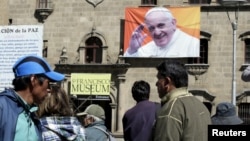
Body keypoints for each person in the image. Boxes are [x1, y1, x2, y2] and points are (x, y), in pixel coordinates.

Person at [0, 55, 65, 141]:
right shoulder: (2, 107)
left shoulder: (32, 115)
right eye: (48, 83)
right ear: (33, 80)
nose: (49, 90)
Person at [153, 60, 211, 141]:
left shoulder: (170, 110)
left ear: (166, 82)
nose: (156, 83)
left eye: (159, 79)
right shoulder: (202, 106)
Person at [124, 6, 199, 58]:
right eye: (151, 28)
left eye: (161, 26)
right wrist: (132, 50)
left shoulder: (193, 44)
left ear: (173, 23)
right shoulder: (146, 49)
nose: (157, 32)